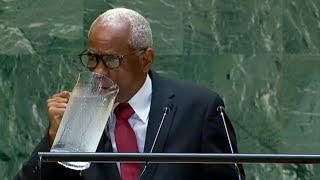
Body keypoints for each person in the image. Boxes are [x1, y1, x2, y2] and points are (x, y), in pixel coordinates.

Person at [15, 8, 245, 180]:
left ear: (146, 60)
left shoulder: (199, 109)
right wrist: (54, 142)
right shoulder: (78, 114)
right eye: (93, 58)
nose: (98, 72)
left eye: (112, 60)